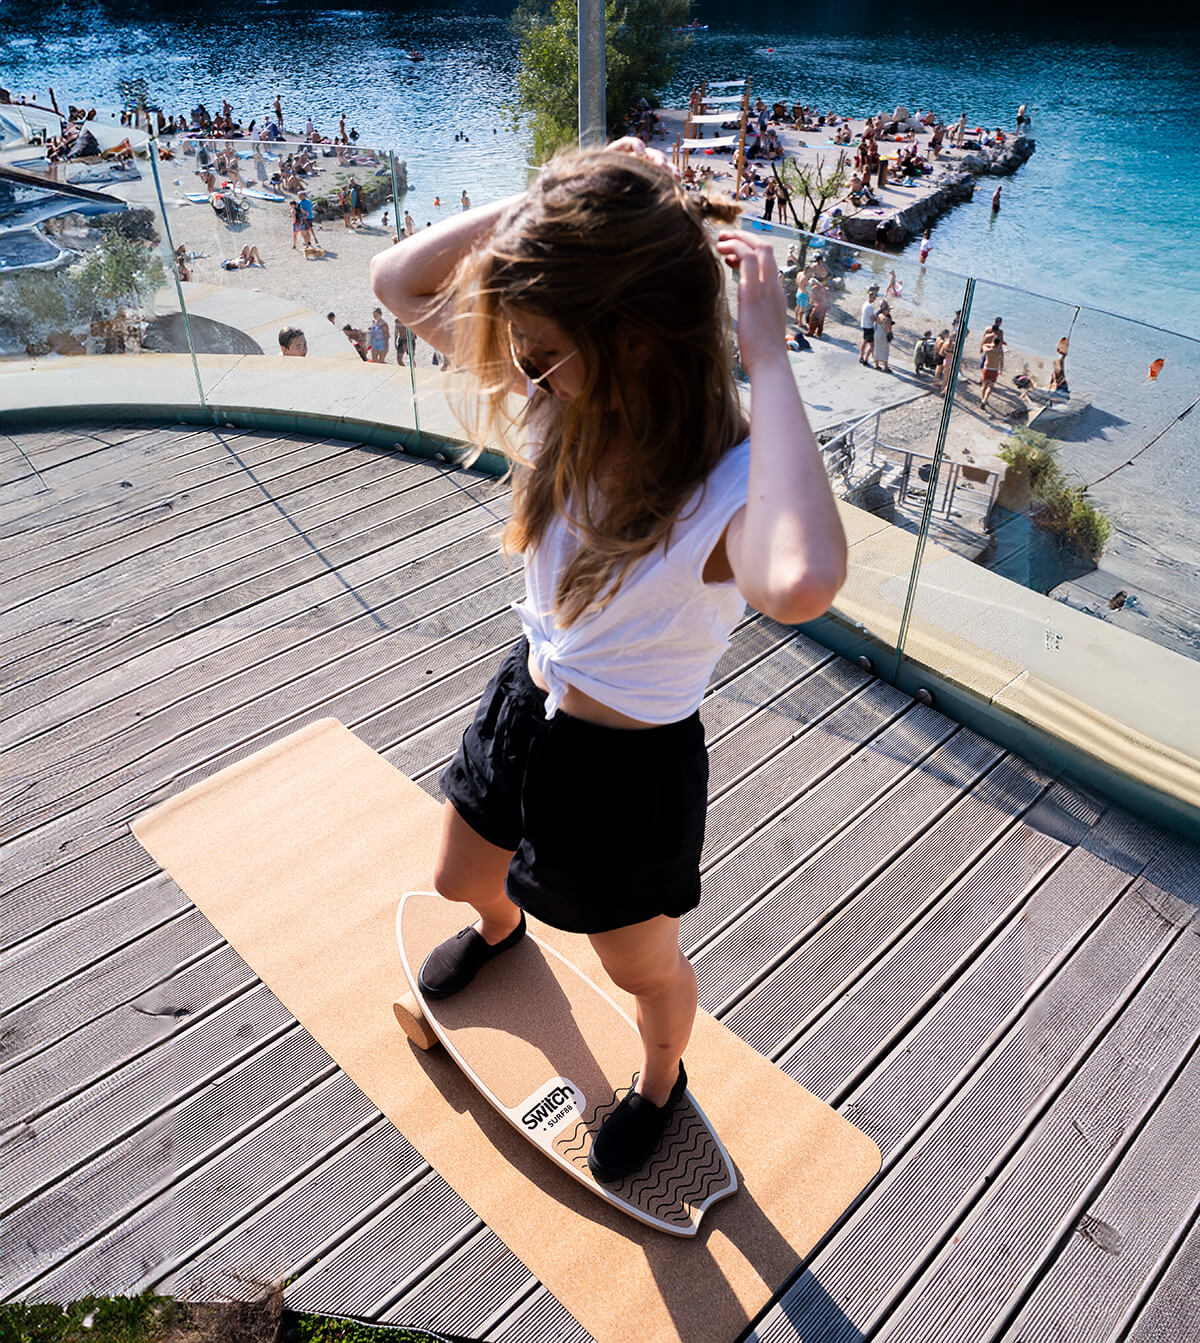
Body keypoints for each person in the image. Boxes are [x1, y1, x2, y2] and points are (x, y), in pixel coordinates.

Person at [368, 137, 847, 1181]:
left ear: (630, 340)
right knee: (458, 871)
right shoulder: (563, 403)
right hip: (525, 702)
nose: (522, 364)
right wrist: (552, 209)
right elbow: (395, 280)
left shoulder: (726, 487)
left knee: (637, 962)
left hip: (629, 776)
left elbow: (802, 584)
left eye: (542, 343)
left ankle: (663, 1074)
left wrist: (768, 357)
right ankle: (502, 932)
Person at [980, 331, 1004, 407]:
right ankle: (985, 400)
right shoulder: (1000, 351)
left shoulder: (988, 350)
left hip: (987, 368)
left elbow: (984, 344)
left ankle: (983, 399)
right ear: (999, 343)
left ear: (993, 342)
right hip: (994, 369)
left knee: (984, 385)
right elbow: (1002, 361)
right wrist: (1001, 370)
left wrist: (991, 344)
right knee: (990, 386)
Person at [859, 285, 878, 365]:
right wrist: (879, 319)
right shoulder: (870, 307)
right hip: (869, 327)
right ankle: (867, 360)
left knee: (864, 342)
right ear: (870, 297)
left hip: (864, 325)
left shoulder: (865, 304)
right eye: (874, 298)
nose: (874, 300)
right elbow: (873, 318)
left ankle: (861, 357)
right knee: (872, 345)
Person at [873, 300, 893, 371]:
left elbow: (875, 321)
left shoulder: (878, 315)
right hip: (883, 335)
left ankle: (876, 365)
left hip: (877, 333)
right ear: (885, 310)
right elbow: (889, 329)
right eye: (888, 310)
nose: (889, 312)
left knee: (877, 349)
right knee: (885, 350)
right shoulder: (887, 319)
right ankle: (886, 367)